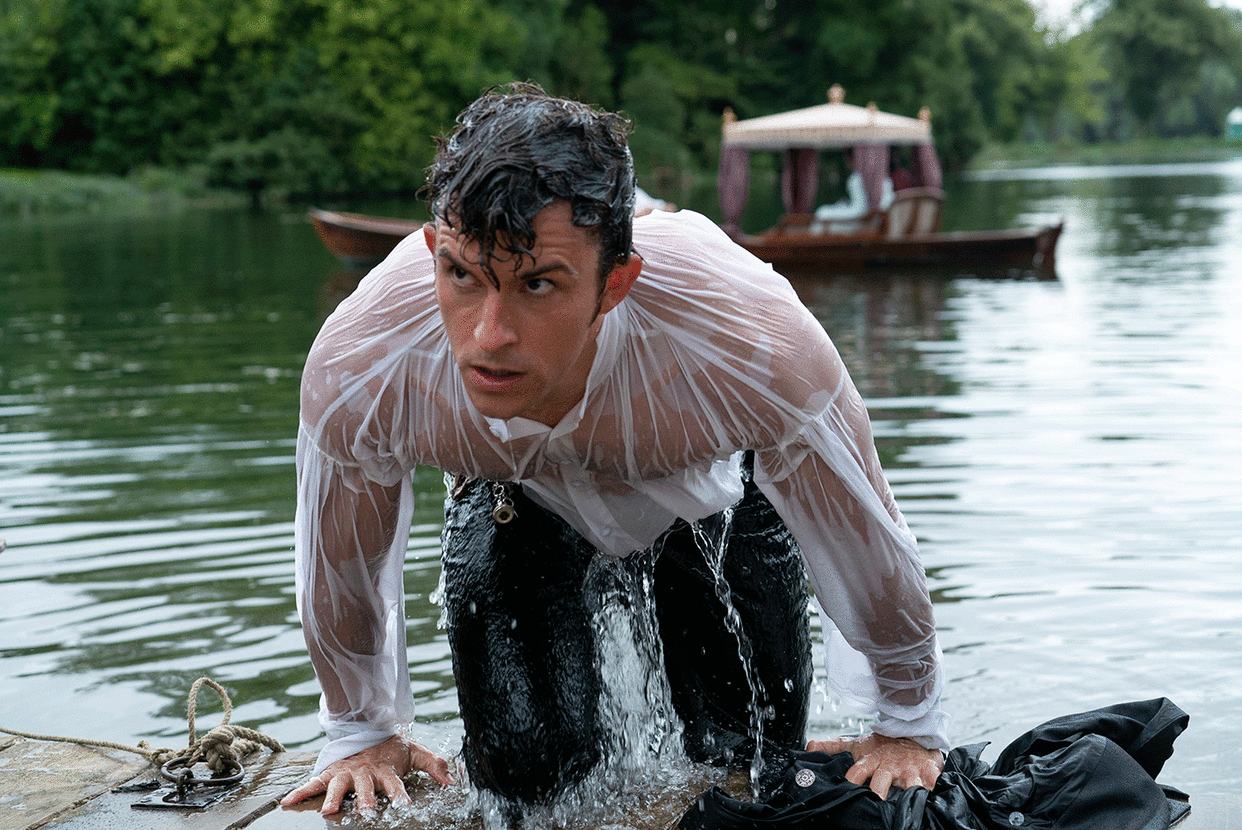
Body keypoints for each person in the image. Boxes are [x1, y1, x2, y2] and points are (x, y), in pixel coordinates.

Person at [281, 83, 948, 820]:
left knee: (750, 765)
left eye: (538, 284)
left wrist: (906, 724)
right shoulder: (365, 359)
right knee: (525, 779)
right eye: (463, 276)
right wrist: (362, 730)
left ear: (615, 284)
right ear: (434, 249)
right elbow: (340, 561)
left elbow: (865, 536)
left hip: (714, 492)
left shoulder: (749, 339)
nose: (489, 336)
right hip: (514, 495)